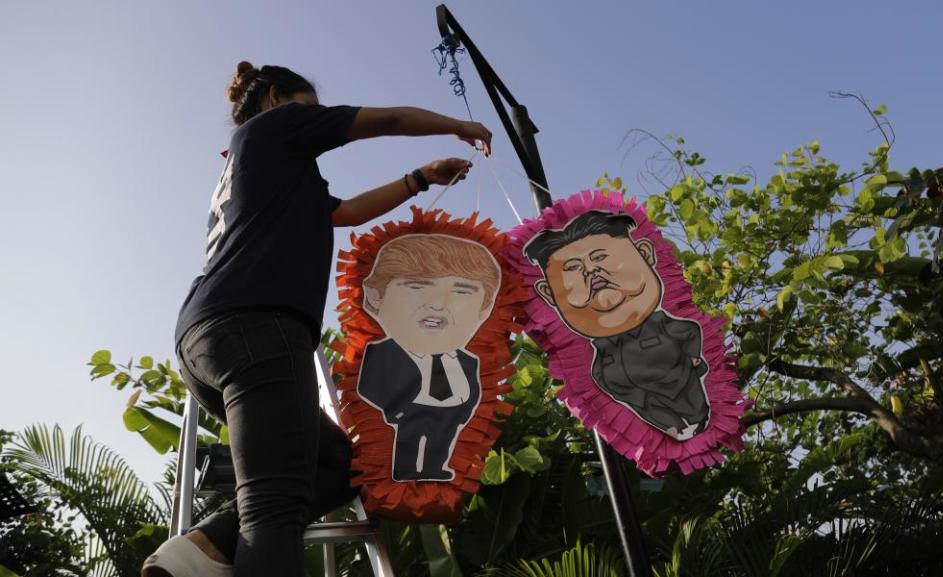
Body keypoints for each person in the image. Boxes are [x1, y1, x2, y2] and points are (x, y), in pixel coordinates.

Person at [141, 61, 491, 577]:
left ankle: (208, 542)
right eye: (310, 106)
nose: (318, 117)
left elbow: (344, 213)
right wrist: (459, 125)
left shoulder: (261, 169)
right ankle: (220, 542)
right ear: (276, 97)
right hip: (259, 327)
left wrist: (419, 179)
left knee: (342, 464)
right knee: (274, 506)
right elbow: (388, 119)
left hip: (208, 340)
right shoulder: (274, 126)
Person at [523, 210, 710, 441]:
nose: (591, 271)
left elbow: (689, 331)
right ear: (548, 293)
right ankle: (676, 429)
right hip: (637, 396)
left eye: (600, 257)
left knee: (695, 408)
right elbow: (602, 380)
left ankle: (698, 421)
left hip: (680, 381)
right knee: (660, 417)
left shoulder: (664, 325)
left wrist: (693, 357)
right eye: (572, 268)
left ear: (645, 253)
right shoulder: (600, 361)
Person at [356, 234, 501, 481]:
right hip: (408, 413)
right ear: (374, 297)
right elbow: (368, 385)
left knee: (441, 444)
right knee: (408, 444)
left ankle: (435, 469)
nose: (438, 304)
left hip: (451, 413)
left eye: (462, 291)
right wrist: (398, 412)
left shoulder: (469, 362)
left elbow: (473, 391)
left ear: (485, 309)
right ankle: (404, 470)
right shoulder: (381, 354)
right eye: (417, 286)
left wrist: (461, 415)